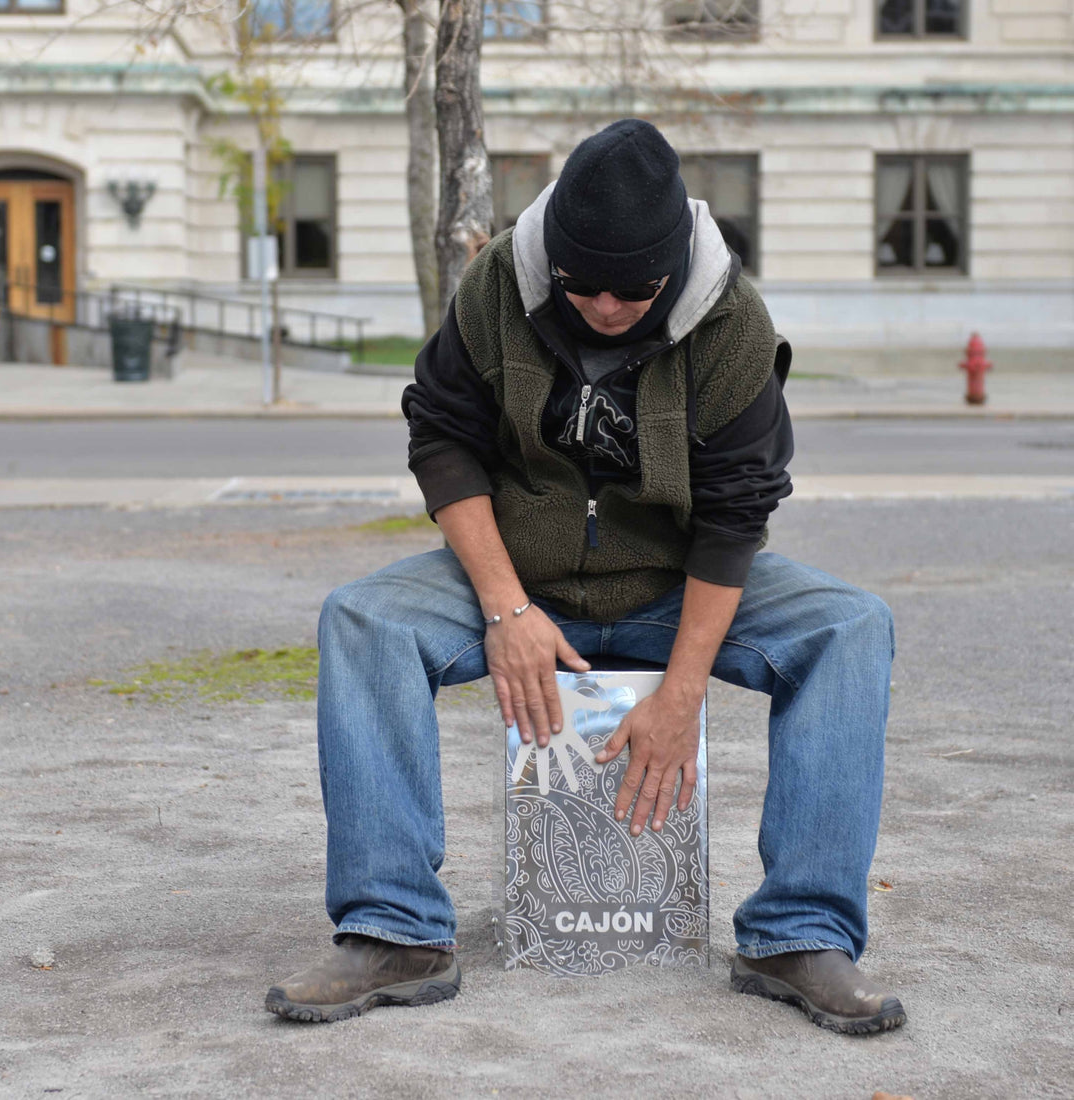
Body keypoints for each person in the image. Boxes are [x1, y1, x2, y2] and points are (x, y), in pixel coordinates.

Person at [265, 119, 905, 1035]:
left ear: (673, 266)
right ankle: (395, 930)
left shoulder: (731, 323)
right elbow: (441, 435)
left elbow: (735, 517)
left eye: (632, 291)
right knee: (363, 620)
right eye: (583, 286)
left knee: (850, 627)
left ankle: (799, 935)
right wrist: (506, 605)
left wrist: (681, 694)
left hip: (674, 583)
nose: (605, 306)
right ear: (554, 256)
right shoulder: (498, 285)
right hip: (523, 578)